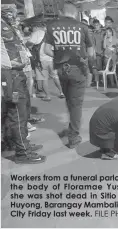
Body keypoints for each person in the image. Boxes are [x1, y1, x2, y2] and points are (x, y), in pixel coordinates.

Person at [44, 1, 97, 149]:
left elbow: (47, 50)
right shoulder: (83, 27)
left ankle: (71, 128)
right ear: (75, 13)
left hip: (61, 69)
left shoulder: (51, 26)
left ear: (62, 12)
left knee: (69, 100)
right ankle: (73, 137)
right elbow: (92, 53)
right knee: (76, 104)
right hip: (78, 70)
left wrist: (60, 55)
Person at [1, 11, 45, 164]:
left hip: (16, 73)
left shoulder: (5, 24)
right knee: (17, 113)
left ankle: (19, 144)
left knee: (22, 111)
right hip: (9, 75)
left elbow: (17, 46)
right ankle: (22, 152)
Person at [26, 23, 65, 101]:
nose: (32, 29)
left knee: (44, 78)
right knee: (55, 76)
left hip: (41, 60)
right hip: (51, 58)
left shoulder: (36, 34)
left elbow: (29, 44)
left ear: (36, 27)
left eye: (33, 27)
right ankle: (61, 92)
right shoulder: (51, 34)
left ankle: (48, 96)